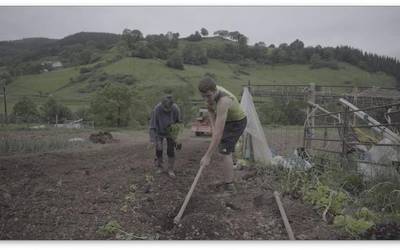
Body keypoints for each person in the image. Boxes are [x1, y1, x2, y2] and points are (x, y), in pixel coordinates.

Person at [198, 77, 247, 193]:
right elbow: (210, 110)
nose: (206, 99)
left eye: (208, 96)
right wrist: (213, 127)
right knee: (223, 148)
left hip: (237, 122)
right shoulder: (210, 94)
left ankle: (230, 186)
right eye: (203, 96)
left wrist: (207, 156)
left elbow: (218, 134)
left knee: (225, 151)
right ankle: (227, 179)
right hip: (228, 120)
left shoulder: (224, 101)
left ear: (215, 91)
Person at [149, 95, 182, 178]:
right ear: (162, 105)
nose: (167, 111)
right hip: (159, 131)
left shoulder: (175, 109)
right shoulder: (157, 109)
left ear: (172, 106)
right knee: (159, 148)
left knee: (170, 149)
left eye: (169, 109)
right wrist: (153, 140)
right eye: (165, 109)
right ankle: (160, 167)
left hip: (171, 131)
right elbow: (152, 126)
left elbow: (178, 123)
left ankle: (170, 169)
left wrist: (177, 138)